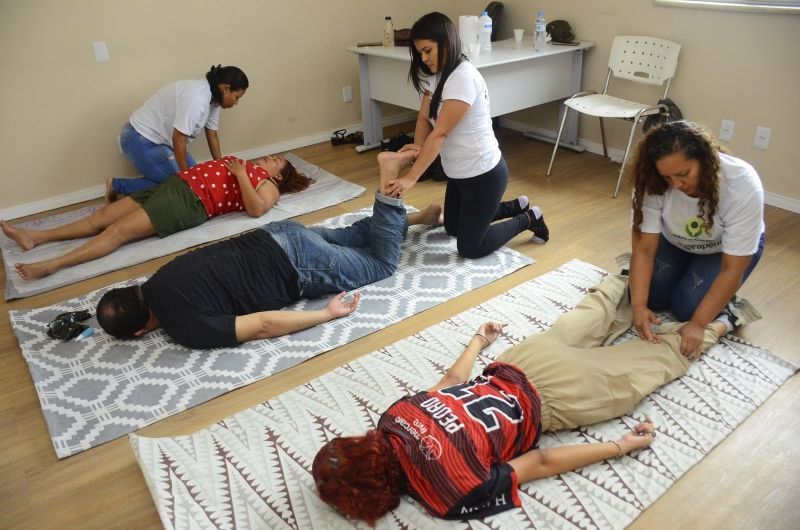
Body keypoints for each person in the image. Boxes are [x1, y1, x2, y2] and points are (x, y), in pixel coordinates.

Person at [312, 271, 759, 524]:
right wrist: (477, 342)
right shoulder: (394, 417)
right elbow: (450, 382)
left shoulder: (447, 492)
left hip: (555, 399)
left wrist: (620, 446)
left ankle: (722, 321)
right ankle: (622, 278)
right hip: (516, 362)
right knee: (582, 320)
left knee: (650, 365)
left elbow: (541, 463)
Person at [94, 178, 444, 349]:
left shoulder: (186, 329)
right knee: (352, 236)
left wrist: (325, 314)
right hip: (275, 234)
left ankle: (389, 191)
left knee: (379, 265)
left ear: (141, 331)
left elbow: (262, 324)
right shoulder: (160, 276)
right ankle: (416, 219)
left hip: (299, 265)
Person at [380, 12, 549, 259]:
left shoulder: (463, 78)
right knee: (453, 227)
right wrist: (417, 145)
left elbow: (441, 134)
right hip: (459, 173)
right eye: (420, 53)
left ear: (446, 42)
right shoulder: (434, 76)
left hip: (484, 175)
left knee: (471, 247)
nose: (424, 58)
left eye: (428, 50)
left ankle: (529, 217)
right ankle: (515, 205)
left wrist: (411, 178)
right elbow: (424, 119)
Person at [1, 155, 311, 280]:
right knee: (103, 216)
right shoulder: (248, 166)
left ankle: (52, 265)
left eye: (275, 161)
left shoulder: (266, 184)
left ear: (279, 176)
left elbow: (257, 209)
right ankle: (36, 237)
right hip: (176, 185)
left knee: (117, 230)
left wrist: (243, 175)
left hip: (191, 201)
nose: (269, 158)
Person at [628, 121, 765, 359]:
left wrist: (699, 324)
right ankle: (678, 274)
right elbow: (644, 250)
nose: (676, 185)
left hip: (722, 251)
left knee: (687, 309)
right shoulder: (652, 181)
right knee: (645, 298)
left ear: (706, 160)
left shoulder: (742, 184)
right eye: (667, 177)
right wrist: (639, 307)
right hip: (675, 240)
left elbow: (732, 269)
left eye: (683, 174)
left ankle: (733, 312)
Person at [108, 65, 249, 198]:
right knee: (180, 183)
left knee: (198, 179)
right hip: (139, 139)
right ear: (225, 88)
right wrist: (185, 177)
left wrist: (221, 166)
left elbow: (212, 134)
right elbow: (178, 139)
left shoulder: (214, 100)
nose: (236, 103)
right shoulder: (197, 99)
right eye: (237, 97)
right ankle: (117, 186)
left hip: (160, 141)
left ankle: (124, 185)